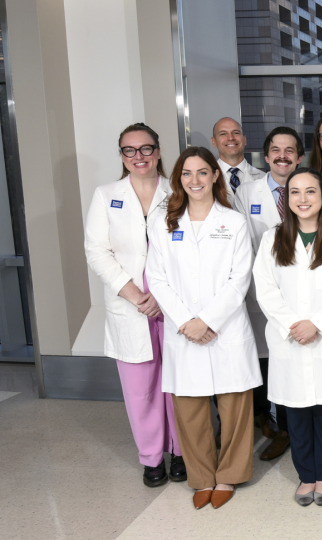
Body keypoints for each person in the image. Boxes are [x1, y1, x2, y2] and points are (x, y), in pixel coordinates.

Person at [146, 146, 261, 509]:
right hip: (183, 330)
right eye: (186, 173)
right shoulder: (163, 222)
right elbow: (156, 277)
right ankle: (201, 477)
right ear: (177, 179)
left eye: (201, 172)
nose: (194, 180)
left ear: (215, 176)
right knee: (190, 409)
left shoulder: (234, 222)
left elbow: (240, 278)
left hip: (225, 327)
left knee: (234, 407)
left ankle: (229, 475)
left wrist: (207, 321)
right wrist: (187, 322)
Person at [253, 167, 322, 506]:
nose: (303, 199)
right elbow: (265, 289)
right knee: (297, 414)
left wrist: (317, 323)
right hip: (290, 339)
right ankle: (306, 476)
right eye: (295, 192)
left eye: (310, 191)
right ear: (286, 199)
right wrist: (292, 324)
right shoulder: (273, 239)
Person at [84, 122, 183, 487]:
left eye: (145, 148)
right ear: (122, 156)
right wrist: (134, 294)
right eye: (130, 150)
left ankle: (182, 451)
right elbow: (97, 250)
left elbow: (188, 251)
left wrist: (161, 295)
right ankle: (151, 458)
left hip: (172, 303)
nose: (138, 156)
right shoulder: (106, 194)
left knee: (178, 383)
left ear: (158, 151)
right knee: (140, 390)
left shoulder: (178, 191)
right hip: (130, 306)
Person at [234, 127, 302, 462]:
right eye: (276, 150)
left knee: (292, 364)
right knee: (265, 362)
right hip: (260, 294)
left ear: (299, 157)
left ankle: (291, 429)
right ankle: (270, 421)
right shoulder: (246, 192)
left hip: (301, 296)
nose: (282, 156)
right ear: (266, 155)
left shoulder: (310, 187)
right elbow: (241, 244)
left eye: (289, 150)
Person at [211, 117, 265, 197]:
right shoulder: (205, 180)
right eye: (223, 134)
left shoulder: (263, 178)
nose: (230, 138)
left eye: (236, 133)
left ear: (244, 140)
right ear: (214, 142)